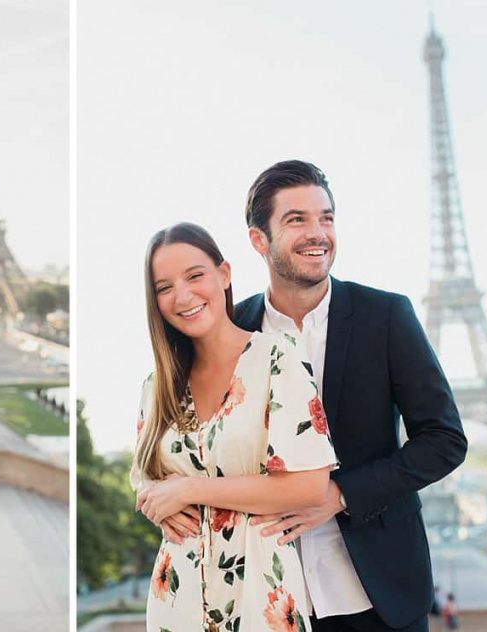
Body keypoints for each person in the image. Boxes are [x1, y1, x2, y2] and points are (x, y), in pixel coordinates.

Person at [231, 160, 467, 631]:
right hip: (270, 597)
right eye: (297, 219)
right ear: (259, 240)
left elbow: (444, 439)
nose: (318, 232)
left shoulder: (387, 316)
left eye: (327, 217)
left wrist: (340, 495)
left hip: (378, 596)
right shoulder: (233, 330)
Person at [133, 222, 338, 632]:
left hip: (260, 593)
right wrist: (155, 504)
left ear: (223, 275)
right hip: (177, 597)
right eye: (164, 287)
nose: (183, 296)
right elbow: (144, 482)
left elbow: (309, 486)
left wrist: (190, 489)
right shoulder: (157, 386)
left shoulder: (278, 357)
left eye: (195, 276)